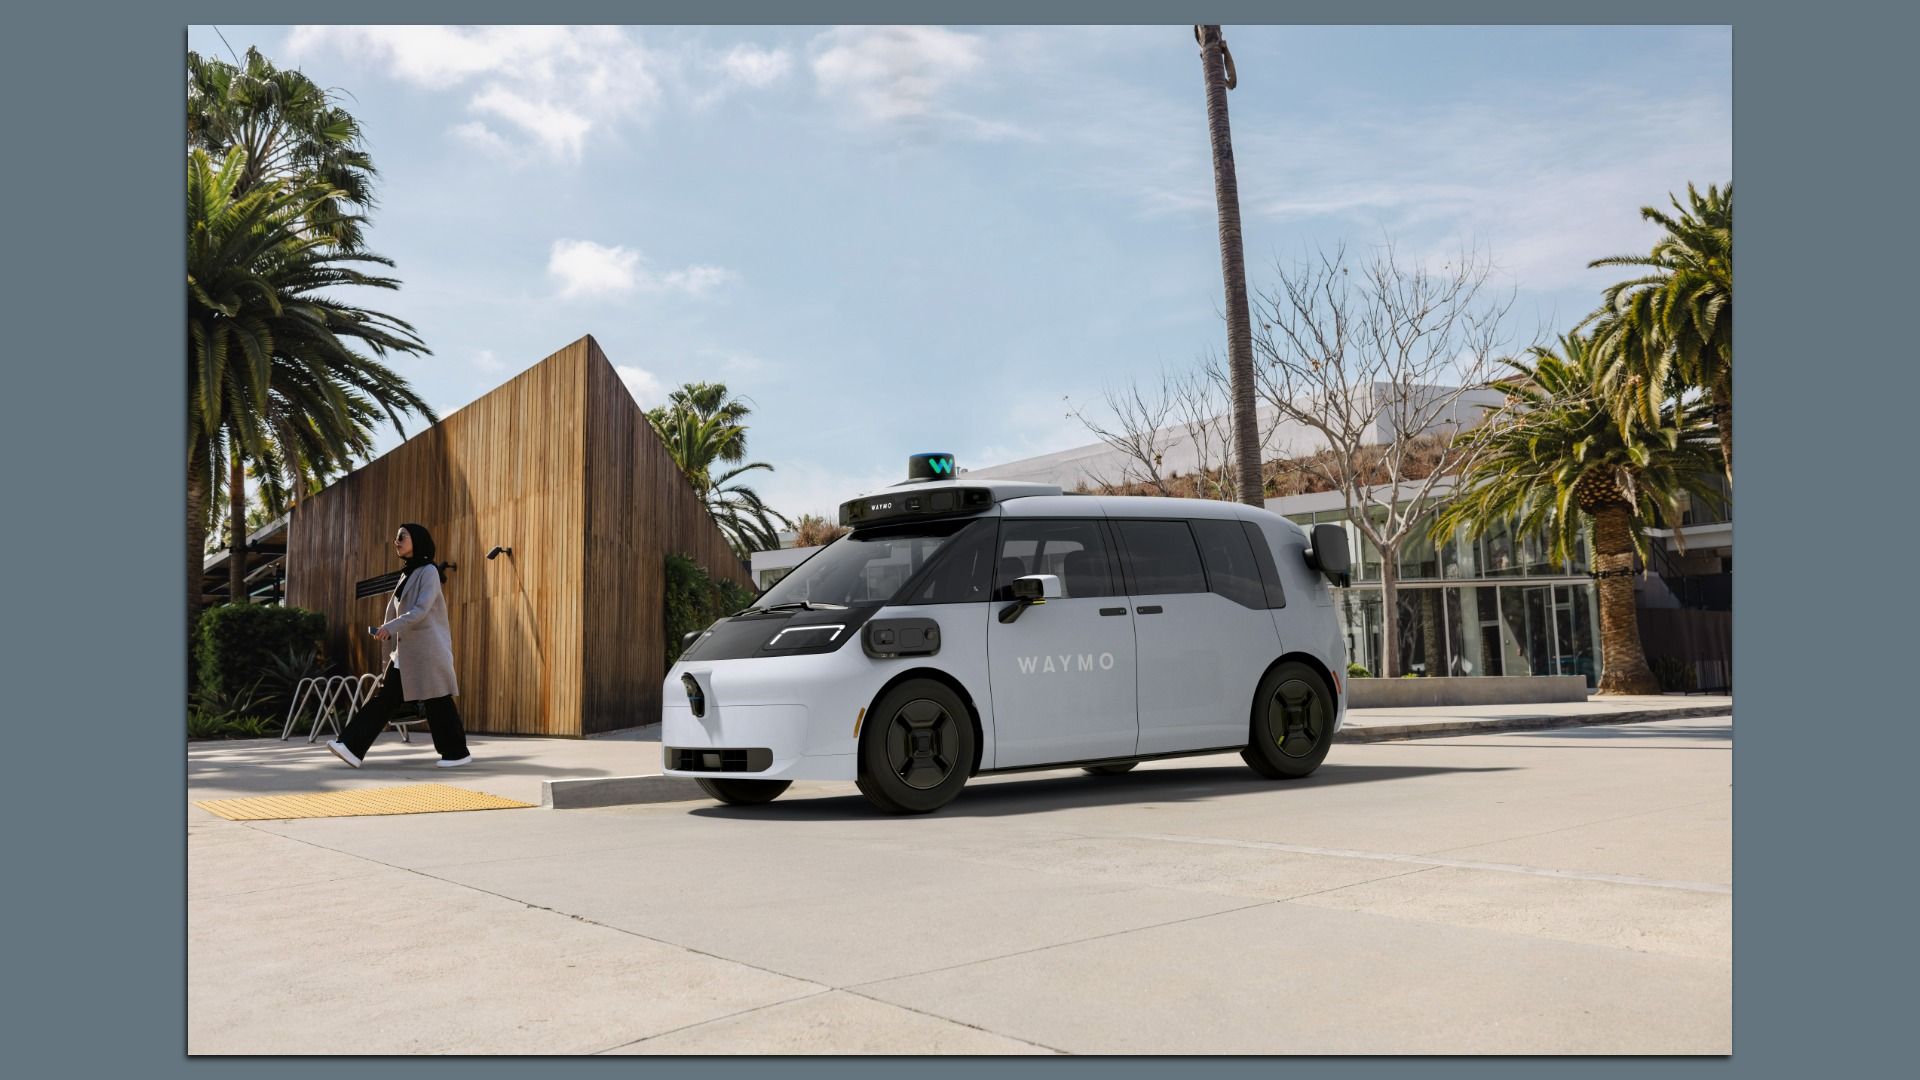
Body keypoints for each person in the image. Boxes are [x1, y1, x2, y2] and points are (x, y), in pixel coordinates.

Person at [328, 523, 472, 769]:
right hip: (407, 653)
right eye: (396, 537)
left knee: (436, 701)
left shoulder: (428, 571)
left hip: (426, 651)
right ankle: (352, 746)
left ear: (417, 540)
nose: (396, 541)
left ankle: (456, 752)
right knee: (396, 699)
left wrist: (391, 627)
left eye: (401, 537)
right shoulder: (408, 573)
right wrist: (388, 632)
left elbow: (421, 610)